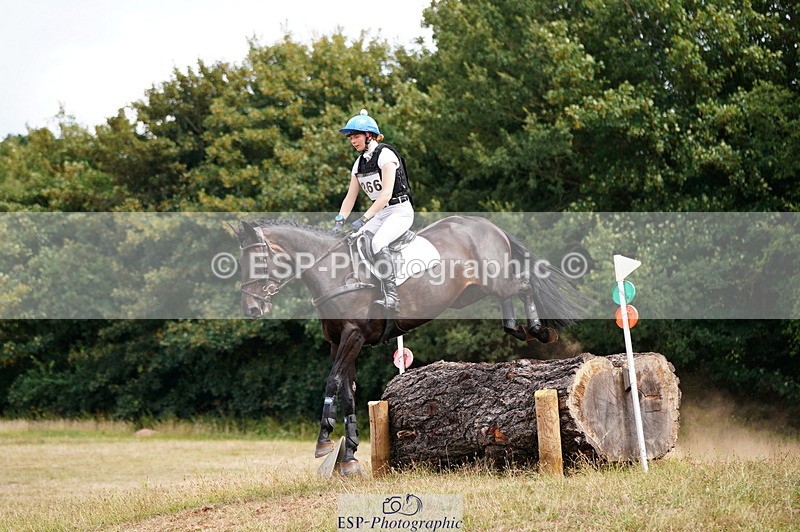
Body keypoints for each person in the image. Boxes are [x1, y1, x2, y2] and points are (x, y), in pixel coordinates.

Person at [332, 109, 414, 311]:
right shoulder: (358, 163)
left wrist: (364, 218)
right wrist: (340, 220)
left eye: (356, 136)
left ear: (369, 136)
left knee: (377, 243)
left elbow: (385, 194)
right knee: (354, 240)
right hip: (382, 214)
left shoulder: (385, 155)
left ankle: (392, 296)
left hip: (399, 211)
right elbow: (350, 197)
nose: (353, 141)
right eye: (351, 138)